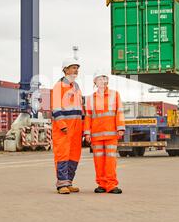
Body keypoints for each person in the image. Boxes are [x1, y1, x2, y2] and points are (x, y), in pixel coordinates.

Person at [84, 70, 125, 194]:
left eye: (104, 79)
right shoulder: (90, 98)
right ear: (95, 82)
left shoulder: (115, 94)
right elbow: (88, 116)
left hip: (111, 134)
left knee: (110, 160)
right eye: (99, 79)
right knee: (99, 161)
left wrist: (120, 128)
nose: (102, 81)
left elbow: (119, 112)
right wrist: (87, 132)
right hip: (96, 135)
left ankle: (111, 185)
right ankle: (101, 184)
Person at [51, 57, 84, 195]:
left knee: (74, 155)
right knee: (62, 154)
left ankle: (69, 181)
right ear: (65, 70)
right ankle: (62, 184)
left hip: (76, 127)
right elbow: (55, 108)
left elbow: (81, 108)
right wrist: (62, 125)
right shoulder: (59, 86)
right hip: (63, 128)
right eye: (73, 67)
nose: (76, 70)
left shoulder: (76, 86)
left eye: (77, 67)